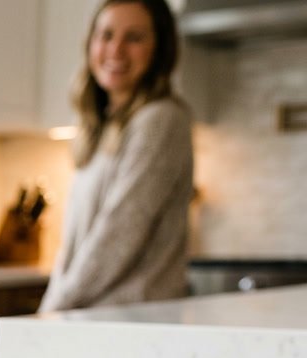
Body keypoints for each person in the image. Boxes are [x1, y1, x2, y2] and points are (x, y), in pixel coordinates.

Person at [40, 0, 194, 312]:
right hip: (94, 317)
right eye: (106, 35)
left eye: (134, 38)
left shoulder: (160, 119)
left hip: (132, 322)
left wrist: (52, 308)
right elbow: (76, 246)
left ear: (160, 49)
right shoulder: (103, 125)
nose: (116, 50)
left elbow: (118, 235)